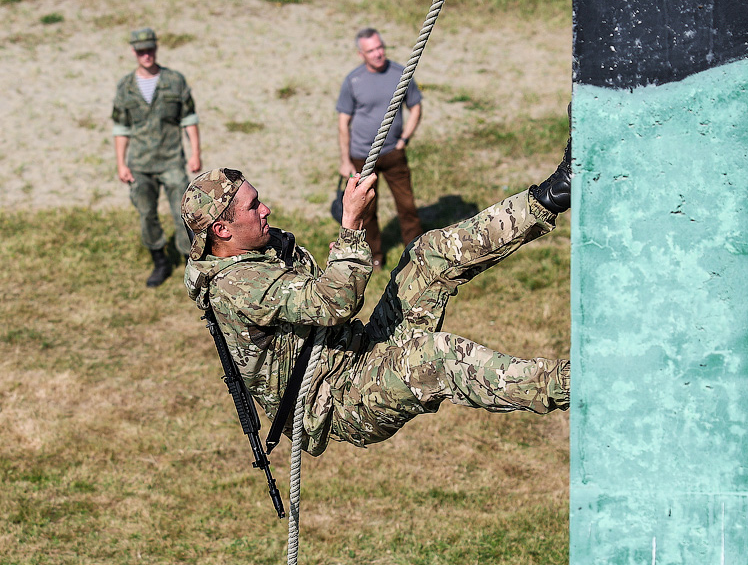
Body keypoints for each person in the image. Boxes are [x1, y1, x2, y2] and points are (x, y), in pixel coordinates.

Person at [181, 144, 573, 457]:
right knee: (436, 360)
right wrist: (351, 228)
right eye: (253, 207)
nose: (266, 209)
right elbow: (334, 302)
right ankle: (575, 384)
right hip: (341, 400)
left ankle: (555, 193)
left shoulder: (257, 251)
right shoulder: (236, 285)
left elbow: (312, 301)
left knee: (429, 255)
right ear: (222, 230)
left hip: (359, 353)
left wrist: (341, 261)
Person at [112, 27, 203, 287]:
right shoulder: (126, 86)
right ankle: (160, 261)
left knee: (183, 214)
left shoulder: (174, 80)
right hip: (140, 164)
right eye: (141, 51)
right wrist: (121, 163)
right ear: (134, 52)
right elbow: (121, 128)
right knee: (146, 214)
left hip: (171, 159)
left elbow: (189, 118)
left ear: (156, 48)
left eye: (150, 49)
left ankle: (192, 264)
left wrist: (195, 153)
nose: (146, 55)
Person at [336, 27, 424, 269]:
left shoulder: (400, 74)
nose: (378, 53)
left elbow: (415, 106)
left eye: (380, 47)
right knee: (367, 211)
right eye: (371, 50)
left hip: (394, 153)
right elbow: (343, 122)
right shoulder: (353, 81)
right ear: (361, 54)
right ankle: (374, 255)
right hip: (362, 156)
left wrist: (404, 139)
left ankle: (416, 253)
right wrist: (345, 160)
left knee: (407, 205)